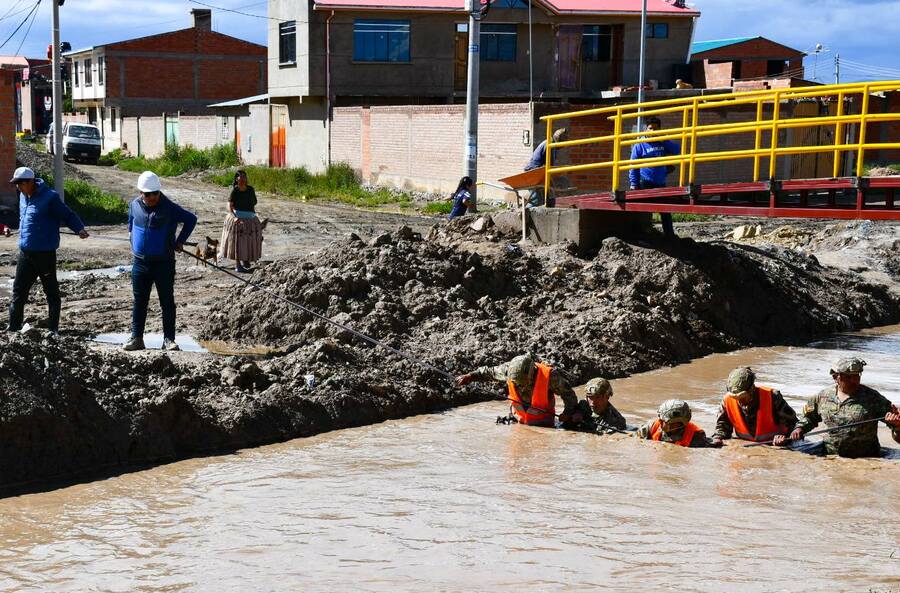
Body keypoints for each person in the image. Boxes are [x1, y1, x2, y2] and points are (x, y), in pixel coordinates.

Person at [7, 166, 89, 333]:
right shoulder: (23, 197)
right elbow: (25, 219)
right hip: (26, 253)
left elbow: (67, 215)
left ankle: (53, 329)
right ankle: (14, 327)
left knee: (51, 291)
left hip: (44, 253)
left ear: (30, 182)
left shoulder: (50, 197)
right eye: (16, 184)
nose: (18, 187)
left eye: (20, 184)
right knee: (18, 291)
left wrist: (79, 228)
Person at [124, 171, 197, 352]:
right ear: (141, 192)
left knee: (167, 301)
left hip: (163, 263)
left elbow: (190, 219)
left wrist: (180, 241)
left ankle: (169, 340)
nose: (152, 197)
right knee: (140, 301)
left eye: (155, 193)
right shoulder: (134, 205)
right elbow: (131, 224)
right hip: (140, 263)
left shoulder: (169, 208)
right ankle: (137, 338)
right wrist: (132, 239)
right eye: (148, 194)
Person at [773, 357, 900, 457]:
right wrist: (799, 429)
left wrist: (897, 425)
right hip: (831, 457)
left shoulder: (873, 398)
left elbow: (898, 437)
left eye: (857, 376)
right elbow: (809, 419)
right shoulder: (822, 397)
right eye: (849, 377)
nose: (855, 381)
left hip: (866, 459)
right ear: (836, 377)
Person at [456, 354, 582, 427]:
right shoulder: (508, 370)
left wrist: (567, 413)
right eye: (517, 383)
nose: (520, 386)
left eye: (523, 383)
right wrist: (471, 376)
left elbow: (568, 394)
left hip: (544, 425)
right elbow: (489, 372)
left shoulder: (550, 376)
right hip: (517, 420)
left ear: (531, 373)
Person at [711, 367, 797, 445]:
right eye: (735, 397)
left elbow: (793, 423)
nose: (739, 400)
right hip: (746, 449)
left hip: (775, 446)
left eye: (742, 397)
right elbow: (722, 428)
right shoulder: (727, 401)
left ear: (752, 389)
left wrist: (783, 436)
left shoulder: (773, 396)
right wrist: (718, 438)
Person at [628, 117, 681, 238]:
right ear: (646, 130)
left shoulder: (662, 141)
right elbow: (633, 165)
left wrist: (663, 139)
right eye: (650, 128)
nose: (652, 131)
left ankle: (669, 235)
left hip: (660, 182)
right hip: (645, 182)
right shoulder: (640, 145)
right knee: (644, 211)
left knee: (665, 210)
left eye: (655, 128)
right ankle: (643, 236)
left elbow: (677, 150)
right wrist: (633, 184)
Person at [220, 170, 265, 273]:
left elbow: (253, 203)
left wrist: (251, 217)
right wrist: (234, 216)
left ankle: (246, 259)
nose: (244, 178)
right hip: (238, 219)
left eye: (245, 176)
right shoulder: (235, 191)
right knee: (238, 242)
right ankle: (237, 265)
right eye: (241, 177)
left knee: (250, 241)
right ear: (237, 179)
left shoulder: (250, 190)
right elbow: (229, 205)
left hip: (250, 218)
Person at [637, 399, 716, 447]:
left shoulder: (696, 436)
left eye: (664, 421)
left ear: (678, 424)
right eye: (660, 419)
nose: (660, 422)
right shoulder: (651, 427)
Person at [524, 127, 568, 207]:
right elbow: (549, 167)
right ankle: (526, 215)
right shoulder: (549, 145)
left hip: (538, 173)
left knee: (549, 197)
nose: (563, 147)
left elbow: (549, 168)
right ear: (558, 140)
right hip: (533, 173)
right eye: (563, 144)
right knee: (536, 199)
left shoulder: (551, 145)